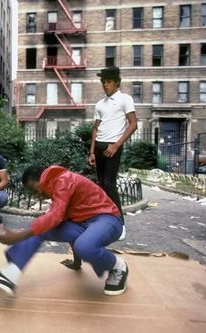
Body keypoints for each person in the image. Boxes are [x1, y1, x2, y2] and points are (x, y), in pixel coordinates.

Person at [0, 165, 128, 297]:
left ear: (41, 179)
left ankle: (118, 266)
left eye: (34, 189)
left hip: (107, 219)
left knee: (82, 244)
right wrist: (77, 261)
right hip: (83, 224)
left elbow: (56, 215)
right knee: (41, 228)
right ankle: (9, 275)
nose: (37, 195)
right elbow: (60, 220)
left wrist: (18, 236)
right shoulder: (56, 187)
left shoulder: (64, 180)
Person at [89, 66, 137, 240]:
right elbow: (95, 129)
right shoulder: (100, 104)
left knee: (110, 184)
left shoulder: (125, 99)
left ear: (117, 82)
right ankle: (104, 221)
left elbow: (133, 125)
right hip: (100, 147)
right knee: (101, 185)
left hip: (112, 147)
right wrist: (92, 152)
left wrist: (116, 145)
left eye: (108, 81)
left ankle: (121, 224)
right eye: (103, 82)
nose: (105, 85)